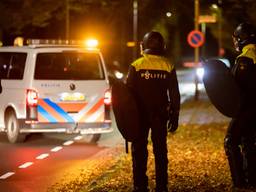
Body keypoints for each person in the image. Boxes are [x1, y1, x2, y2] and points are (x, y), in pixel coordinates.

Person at [126, 31, 180, 192]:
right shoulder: (168, 65)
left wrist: (127, 118)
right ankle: (162, 186)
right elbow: (174, 94)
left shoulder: (136, 65)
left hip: (139, 116)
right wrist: (175, 115)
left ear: (143, 46)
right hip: (160, 115)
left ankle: (139, 185)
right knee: (161, 151)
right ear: (163, 46)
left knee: (139, 150)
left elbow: (127, 95)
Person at [224, 22, 256, 189]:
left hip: (248, 108)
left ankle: (240, 182)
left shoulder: (245, 58)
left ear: (241, 39)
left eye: (236, 38)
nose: (235, 42)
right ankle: (252, 179)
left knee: (231, 140)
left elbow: (239, 87)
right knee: (249, 141)